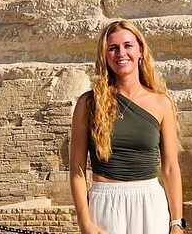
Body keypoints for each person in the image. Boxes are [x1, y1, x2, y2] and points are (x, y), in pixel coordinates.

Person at [70, 20, 184, 234]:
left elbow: (170, 168)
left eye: (127, 45)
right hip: (106, 204)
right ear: (105, 55)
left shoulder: (161, 103)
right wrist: (85, 222)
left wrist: (177, 223)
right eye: (113, 48)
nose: (121, 53)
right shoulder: (88, 104)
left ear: (140, 50)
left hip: (150, 203)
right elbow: (77, 168)